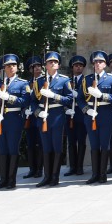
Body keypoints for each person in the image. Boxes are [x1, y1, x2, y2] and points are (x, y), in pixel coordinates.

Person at [0, 54, 31, 190]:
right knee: (2, 150)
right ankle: (3, 179)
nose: (10, 67)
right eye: (7, 65)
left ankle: (11, 180)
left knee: (12, 149)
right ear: (3, 68)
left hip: (14, 120)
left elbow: (26, 101)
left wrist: (10, 98)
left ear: (17, 67)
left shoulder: (23, 83)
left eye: (13, 65)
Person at [32, 51, 74, 187]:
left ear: (58, 65)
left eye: (55, 62)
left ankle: (55, 176)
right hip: (43, 118)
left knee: (56, 147)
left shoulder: (64, 80)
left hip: (57, 116)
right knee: (46, 147)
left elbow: (69, 99)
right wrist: (38, 112)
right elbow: (32, 101)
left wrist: (54, 96)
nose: (53, 63)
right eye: (50, 62)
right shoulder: (38, 81)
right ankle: (47, 176)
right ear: (46, 65)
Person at [80, 51, 112, 184]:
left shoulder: (111, 78)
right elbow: (80, 99)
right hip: (91, 115)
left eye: (100, 62)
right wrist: (87, 110)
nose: (97, 64)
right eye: (95, 62)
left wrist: (102, 95)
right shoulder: (86, 79)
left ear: (105, 64)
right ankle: (95, 174)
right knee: (94, 145)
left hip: (105, 114)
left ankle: (103, 174)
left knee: (104, 144)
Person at [63, 55, 88, 177]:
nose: (78, 67)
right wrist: (66, 109)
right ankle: (72, 166)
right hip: (70, 114)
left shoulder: (86, 80)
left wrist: (78, 95)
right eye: (76, 66)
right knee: (71, 141)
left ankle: (80, 167)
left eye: (80, 66)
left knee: (81, 141)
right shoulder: (67, 81)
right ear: (72, 67)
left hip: (81, 113)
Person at [22, 55, 45, 179]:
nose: (36, 68)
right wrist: (25, 109)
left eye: (38, 66)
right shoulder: (27, 83)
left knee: (41, 143)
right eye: (33, 67)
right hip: (29, 117)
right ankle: (32, 168)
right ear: (30, 70)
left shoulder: (44, 82)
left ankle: (40, 169)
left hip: (41, 115)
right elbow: (24, 99)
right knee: (30, 143)